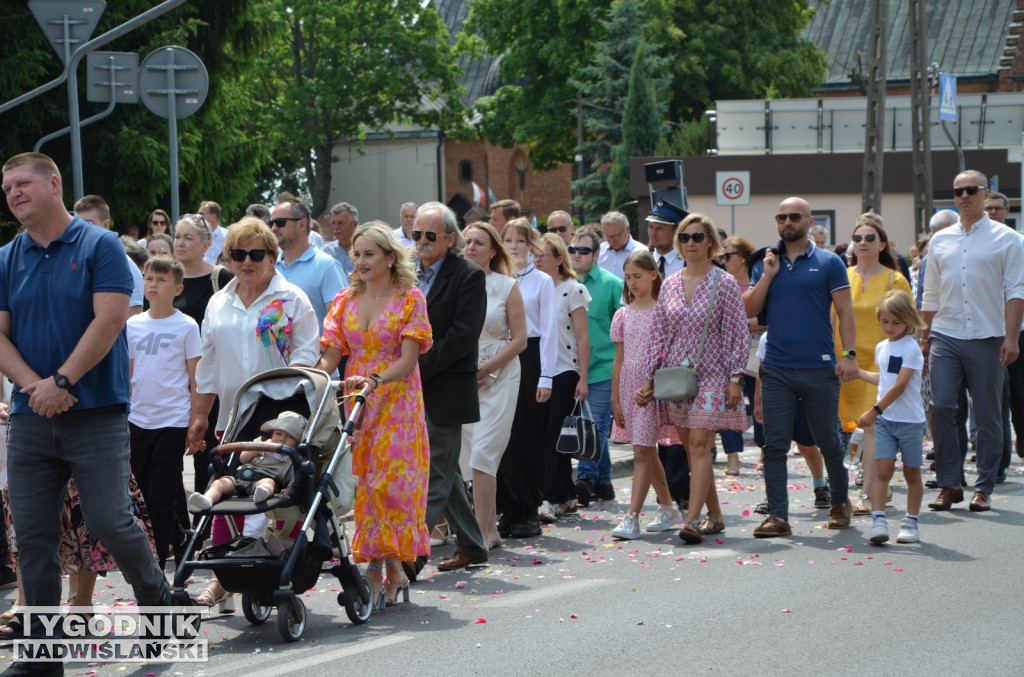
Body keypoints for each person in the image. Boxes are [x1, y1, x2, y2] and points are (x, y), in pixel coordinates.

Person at [0, 152, 170, 671]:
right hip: (32, 416)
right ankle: (43, 656)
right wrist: (34, 386)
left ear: (54, 183)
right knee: (31, 534)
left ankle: (157, 600)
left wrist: (63, 380)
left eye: (23, 183)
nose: (13, 193)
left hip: (95, 411)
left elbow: (112, 319)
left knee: (109, 518)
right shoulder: (7, 256)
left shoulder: (101, 246)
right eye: (7, 188)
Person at [187, 216, 320, 609]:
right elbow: (207, 366)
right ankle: (222, 576)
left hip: (278, 419)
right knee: (227, 493)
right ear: (227, 258)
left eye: (256, 254)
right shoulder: (217, 302)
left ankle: (271, 569)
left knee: (273, 496)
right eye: (237, 254)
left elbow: (307, 358)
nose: (246, 262)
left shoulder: (292, 298)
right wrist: (199, 416)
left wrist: (283, 410)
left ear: (272, 256)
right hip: (231, 417)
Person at [742, 197, 857, 537]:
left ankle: (839, 503)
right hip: (776, 367)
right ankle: (778, 515)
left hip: (819, 368)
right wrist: (767, 275)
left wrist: (848, 354)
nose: (787, 222)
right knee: (775, 444)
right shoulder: (765, 261)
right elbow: (749, 309)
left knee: (830, 442)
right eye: (781, 217)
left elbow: (846, 313)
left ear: (809, 221)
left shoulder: (829, 262)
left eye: (794, 216)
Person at [638, 214, 749, 544]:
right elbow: (658, 335)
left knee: (700, 446)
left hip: (714, 374)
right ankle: (715, 515)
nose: (690, 243)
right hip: (675, 378)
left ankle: (692, 519)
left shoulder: (724, 283)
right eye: (684, 237)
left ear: (710, 243)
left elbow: (737, 334)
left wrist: (735, 378)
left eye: (698, 237)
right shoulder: (670, 283)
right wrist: (649, 378)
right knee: (692, 450)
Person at [921, 170, 1024, 512]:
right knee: (941, 407)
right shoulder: (941, 239)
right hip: (946, 335)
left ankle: (984, 485)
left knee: (988, 414)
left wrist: (1011, 338)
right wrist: (925, 338)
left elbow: (1016, 292)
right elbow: (931, 293)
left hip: (988, 335)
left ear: (985, 193)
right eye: (957, 191)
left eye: (970, 190)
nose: (964, 196)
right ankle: (949, 483)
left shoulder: (1008, 238)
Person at [405, 202, 488, 578]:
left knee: (435, 471)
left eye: (430, 235)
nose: (421, 241)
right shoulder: (406, 274)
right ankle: (471, 543)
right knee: (446, 470)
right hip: (408, 386)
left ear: (450, 239)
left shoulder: (468, 276)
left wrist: (415, 368)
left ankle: (408, 554)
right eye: (416, 234)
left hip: (445, 385)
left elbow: (462, 337)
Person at [127, 256, 201, 569]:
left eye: (161, 280)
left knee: (161, 492)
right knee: (140, 491)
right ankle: (181, 536)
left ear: (177, 288)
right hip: (136, 419)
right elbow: (127, 373)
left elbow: (196, 377)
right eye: (148, 279)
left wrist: (197, 419)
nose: (153, 285)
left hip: (172, 419)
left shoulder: (186, 326)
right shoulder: (132, 325)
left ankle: (157, 558)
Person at [837, 214, 911, 515]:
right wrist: (835, 357)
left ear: (882, 244)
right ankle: (881, 481)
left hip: (882, 365)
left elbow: (908, 323)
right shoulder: (841, 275)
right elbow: (832, 318)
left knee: (871, 428)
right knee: (849, 427)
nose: (863, 243)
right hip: (847, 362)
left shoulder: (896, 279)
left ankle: (866, 495)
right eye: (858, 238)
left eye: (870, 238)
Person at [459, 222, 526, 547]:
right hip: (463, 378)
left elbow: (521, 340)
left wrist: (486, 367)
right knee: (465, 456)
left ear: (493, 250)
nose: (470, 247)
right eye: (467, 241)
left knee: (483, 455)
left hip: (500, 375)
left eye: (478, 242)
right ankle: (487, 529)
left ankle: (484, 532)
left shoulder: (505, 285)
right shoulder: (456, 283)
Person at [610, 251, 680, 539]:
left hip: (653, 388)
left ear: (653, 274)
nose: (632, 282)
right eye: (628, 277)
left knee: (642, 450)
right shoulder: (622, 313)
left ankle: (632, 516)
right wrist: (615, 398)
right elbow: (619, 360)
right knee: (646, 450)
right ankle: (667, 507)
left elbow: (669, 352)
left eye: (638, 276)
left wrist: (652, 385)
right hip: (628, 386)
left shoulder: (664, 311)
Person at [497, 219, 556, 538]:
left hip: (531, 357)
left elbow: (548, 332)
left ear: (530, 245)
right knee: (501, 435)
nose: (514, 246)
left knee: (527, 435)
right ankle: (508, 505)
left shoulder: (542, 281)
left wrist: (546, 376)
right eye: (507, 240)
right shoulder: (498, 279)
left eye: (520, 240)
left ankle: (529, 508)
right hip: (501, 355)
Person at [854, 290, 927, 544]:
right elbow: (885, 380)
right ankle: (878, 520)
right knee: (881, 471)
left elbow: (900, 386)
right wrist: (859, 373)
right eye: (885, 321)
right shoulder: (881, 347)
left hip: (909, 421)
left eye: (896, 322)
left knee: (911, 473)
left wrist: (873, 412)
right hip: (886, 421)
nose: (890, 327)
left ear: (908, 319)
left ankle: (911, 522)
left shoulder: (912, 349)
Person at [533, 233, 590, 523]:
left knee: (556, 434)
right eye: (536, 255)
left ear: (558, 259)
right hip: (539, 370)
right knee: (543, 435)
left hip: (565, 369)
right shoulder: (532, 287)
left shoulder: (572, 289)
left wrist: (583, 378)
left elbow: (582, 336)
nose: (537, 259)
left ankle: (551, 498)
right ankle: (566, 495)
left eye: (543, 254)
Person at [569, 227, 622, 506]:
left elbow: (626, 326)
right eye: (573, 250)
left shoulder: (612, 284)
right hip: (573, 367)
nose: (577, 255)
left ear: (597, 254)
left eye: (584, 250)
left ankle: (586, 479)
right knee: (593, 425)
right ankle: (604, 481)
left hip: (604, 366)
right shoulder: (563, 283)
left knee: (595, 424)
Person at [187, 412, 305, 512]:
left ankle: (261, 494)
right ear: (272, 433)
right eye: (278, 434)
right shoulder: (261, 443)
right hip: (240, 476)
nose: (282, 439)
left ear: (298, 442)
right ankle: (207, 499)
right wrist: (263, 446)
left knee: (267, 483)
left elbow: (293, 477)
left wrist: (288, 489)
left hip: (264, 480)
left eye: (290, 437)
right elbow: (243, 458)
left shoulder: (292, 458)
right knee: (220, 483)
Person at [270, 194, 349, 329]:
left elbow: (340, 325)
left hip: (316, 350)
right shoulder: (269, 266)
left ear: (301, 225)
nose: (273, 228)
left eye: (280, 222)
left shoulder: (327, 266)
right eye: (271, 223)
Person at [719, 236, 760, 476]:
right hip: (728, 351)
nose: (723, 261)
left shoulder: (757, 284)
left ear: (742, 258)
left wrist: (741, 322)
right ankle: (732, 458)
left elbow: (767, 319)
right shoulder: (722, 284)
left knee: (758, 402)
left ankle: (764, 451)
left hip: (756, 351)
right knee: (729, 403)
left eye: (727, 256)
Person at [73, 195, 144, 318]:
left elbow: (133, 320)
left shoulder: (127, 265)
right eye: (77, 224)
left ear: (106, 225)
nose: (82, 230)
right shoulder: (73, 260)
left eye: (88, 224)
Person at [598, 210, 643, 279]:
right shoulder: (600, 250)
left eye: (616, 235)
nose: (612, 240)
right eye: (608, 236)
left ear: (627, 229)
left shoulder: (640, 251)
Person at [646, 203, 685, 278]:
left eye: (660, 228)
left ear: (675, 231)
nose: (653, 234)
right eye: (651, 227)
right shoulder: (644, 261)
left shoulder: (686, 263)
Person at [322, 202, 359, 276]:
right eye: (333, 223)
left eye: (340, 223)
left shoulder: (365, 250)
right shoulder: (326, 252)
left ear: (354, 224)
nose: (336, 227)